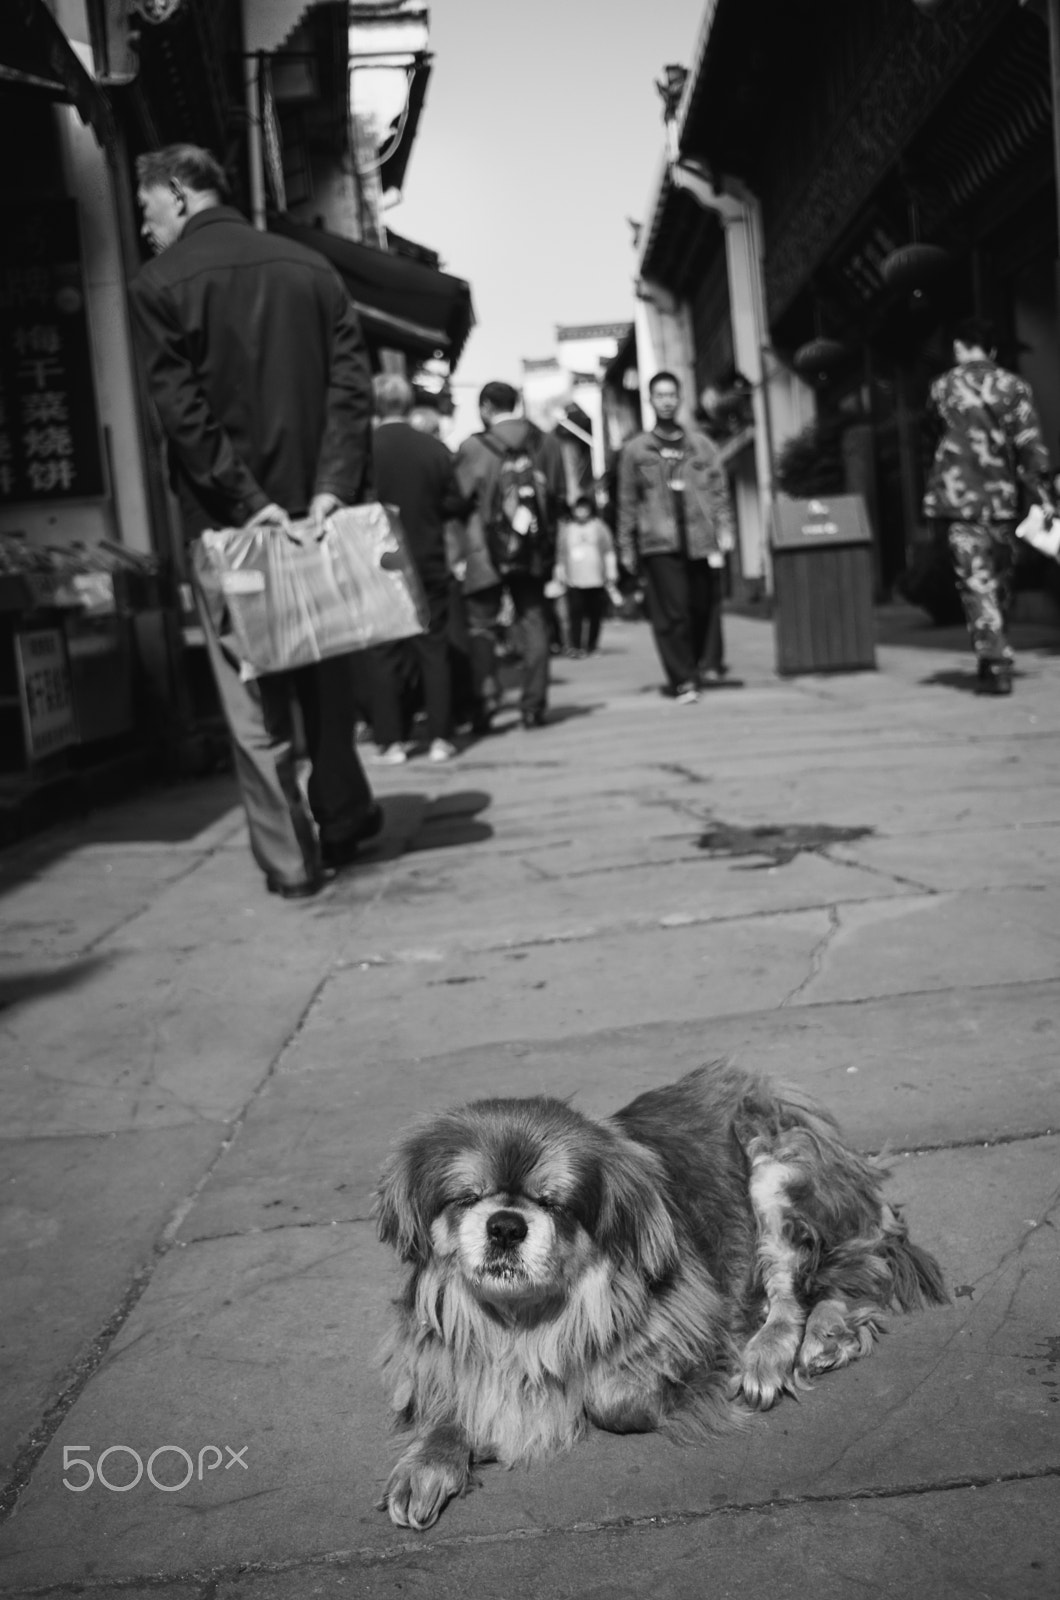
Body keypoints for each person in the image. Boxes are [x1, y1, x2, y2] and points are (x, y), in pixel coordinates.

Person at [128, 143, 379, 900]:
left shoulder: (160, 284)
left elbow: (183, 414)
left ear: (178, 193)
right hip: (317, 517)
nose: (144, 228)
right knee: (327, 671)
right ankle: (342, 816)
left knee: (252, 694)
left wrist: (246, 501)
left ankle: (292, 862)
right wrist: (330, 487)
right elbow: (350, 387)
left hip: (227, 529)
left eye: (146, 209)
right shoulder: (310, 268)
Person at [922, 316, 1054, 695]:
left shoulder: (941, 388)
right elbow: (1031, 444)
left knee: (975, 580)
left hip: (958, 501)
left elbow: (929, 437)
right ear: (992, 351)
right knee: (999, 579)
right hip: (1003, 501)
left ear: (959, 348)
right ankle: (993, 652)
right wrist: (1042, 495)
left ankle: (994, 659)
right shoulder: (1015, 386)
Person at [616, 371, 736, 703]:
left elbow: (719, 491)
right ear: (650, 400)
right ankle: (683, 679)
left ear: (680, 399)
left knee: (700, 608)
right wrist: (625, 546)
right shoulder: (636, 450)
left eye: (672, 395)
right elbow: (626, 501)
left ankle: (695, 667)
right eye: (660, 395)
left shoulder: (701, 446)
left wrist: (725, 528)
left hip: (699, 539)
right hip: (659, 543)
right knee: (673, 613)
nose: (667, 401)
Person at [453, 382, 566, 729]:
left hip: (483, 550)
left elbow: (456, 500)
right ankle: (533, 706)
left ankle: (486, 703)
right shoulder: (546, 442)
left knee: (482, 627)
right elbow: (559, 497)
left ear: (486, 406)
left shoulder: (473, 447)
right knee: (533, 622)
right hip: (531, 550)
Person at [369, 373, 468, 763]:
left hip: (380, 560)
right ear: (408, 404)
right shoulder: (433, 448)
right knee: (433, 646)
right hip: (427, 556)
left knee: (385, 650)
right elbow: (455, 503)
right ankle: (441, 737)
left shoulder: (363, 449)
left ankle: (392, 740)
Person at [555, 495, 620, 656]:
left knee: (595, 614)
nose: (581, 512)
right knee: (575, 614)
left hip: (596, 578)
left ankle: (592, 645)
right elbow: (561, 554)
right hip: (574, 580)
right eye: (578, 508)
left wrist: (611, 570)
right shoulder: (567, 529)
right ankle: (575, 646)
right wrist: (560, 571)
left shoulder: (599, 527)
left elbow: (609, 550)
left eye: (584, 508)